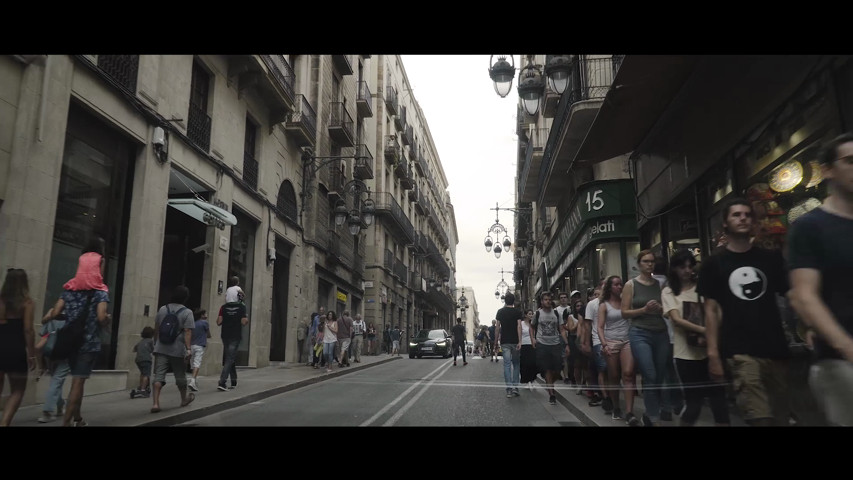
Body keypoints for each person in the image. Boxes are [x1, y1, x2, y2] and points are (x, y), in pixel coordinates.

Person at [698, 197, 792, 427]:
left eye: (747, 215)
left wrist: (807, 326)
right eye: (736, 215)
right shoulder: (714, 264)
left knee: (783, 417)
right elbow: (711, 310)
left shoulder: (770, 259)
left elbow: (791, 294)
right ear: (725, 224)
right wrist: (713, 355)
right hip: (740, 351)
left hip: (775, 348)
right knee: (759, 418)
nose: (743, 218)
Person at [787, 132, 853, 426]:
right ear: (827, 170)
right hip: (841, 363)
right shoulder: (810, 227)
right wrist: (846, 345)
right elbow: (804, 295)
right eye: (850, 161)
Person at [42, 240, 112, 426]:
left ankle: (78, 418)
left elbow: (56, 313)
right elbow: (100, 317)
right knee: (78, 383)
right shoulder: (100, 292)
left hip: (69, 341)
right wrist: (107, 319)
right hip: (88, 344)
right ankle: (66, 422)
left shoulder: (69, 289)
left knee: (74, 382)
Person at [661, 249, 730, 426]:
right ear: (674, 269)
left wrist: (712, 329)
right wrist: (705, 329)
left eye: (690, 266)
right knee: (694, 404)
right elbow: (676, 319)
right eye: (682, 267)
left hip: (710, 351)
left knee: (719, 403)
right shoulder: (669, 292)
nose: (687, 270)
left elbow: (718, 312)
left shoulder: (703, 288)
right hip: (686, 354)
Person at [621, 249, 671, 426]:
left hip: (660, 332)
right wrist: (643, 310)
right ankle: (653, 415)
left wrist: (660, 310)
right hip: (639, 332)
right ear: (639, 264)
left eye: (652, 261)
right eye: (646, 261)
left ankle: (651, 414)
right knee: (649, 373)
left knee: (660, 374)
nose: (649, 264)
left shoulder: (661, 285)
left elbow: (669, 311)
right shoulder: (631, 285)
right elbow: (624, 312)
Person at [598, 275, 639, 425]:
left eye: (621, 284)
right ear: (609, 287)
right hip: (611, 342)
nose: (619, 287)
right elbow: (600, 327)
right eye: (616, 284)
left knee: (628, 374)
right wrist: (604, 345)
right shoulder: (604, 305)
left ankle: (629, 412)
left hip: (627, 340)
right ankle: (616, 406)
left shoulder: (625, 303)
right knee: (614, 376)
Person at [150, 286, 195, 413]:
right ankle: (183, 399)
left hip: (161, 347)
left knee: (159, 375)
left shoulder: (163, 309)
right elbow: (187, 331)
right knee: (180, 375)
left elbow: (157, 327)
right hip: (177, 349)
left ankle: (155, 403)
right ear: (185, 298)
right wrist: (188, 349)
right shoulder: (187, 312)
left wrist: (156, 343)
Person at [0, 268, 36, 426]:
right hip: (15, 348)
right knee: (18, 389)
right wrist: (32, 354)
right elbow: (28, 329)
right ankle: (4, 422)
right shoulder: (27, 302)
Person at [531, 291, 570, 405]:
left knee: (557, 370)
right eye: (545, 300)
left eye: (549, 299)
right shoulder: (537, 314)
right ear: (542, 302)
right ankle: (551, 393)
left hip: (555, 344)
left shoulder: (556, 314)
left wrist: (566, 344)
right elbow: (532, 327)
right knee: (548, 369)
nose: (548, 301)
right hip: (543, 345)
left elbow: (561, 329)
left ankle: (549, 383)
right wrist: (533, 339)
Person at [35, 311, 67, 423]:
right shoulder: (74, 317)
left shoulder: (52, 318)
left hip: (50, 354)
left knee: (55, 381)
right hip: (65, 356)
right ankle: (49, 411)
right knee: (57, 381)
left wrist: (41, 366)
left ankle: (57, 406)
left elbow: (41, 340)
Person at [217, 293, 249, 391]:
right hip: (235, 335)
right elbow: (244, 322)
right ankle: (222, 382)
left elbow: (218, 322)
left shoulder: (223, 307)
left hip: (225, 335)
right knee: (230, 358)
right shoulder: (241, 307)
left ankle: (234, 381)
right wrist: (245, 318)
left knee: (230, 357)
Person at [584, 281, 608, 411]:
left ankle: (608, 395)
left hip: (615, 340)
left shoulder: (615, 302)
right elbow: (587, 325)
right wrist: (587, 343)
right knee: (602, 369)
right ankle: (605, 397)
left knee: (613, 371)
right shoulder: (592, 304)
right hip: (598, 341)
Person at [495, 292, 524, 397]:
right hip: (515, 341)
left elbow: (497, 327)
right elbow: (519, 326)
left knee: (507, 365)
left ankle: (509, 389)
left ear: (505, 301)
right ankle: (516, 387)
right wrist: (520, 341)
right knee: (516, 364)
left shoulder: (500, 312)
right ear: (513, 301)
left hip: (505, 342)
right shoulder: (517, 312)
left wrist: (495, 343)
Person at [188, 308, 211, 392]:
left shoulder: (193, 323)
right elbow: (208, 334)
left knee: (192, 364)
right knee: (197, 364)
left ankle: (194, 380)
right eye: (205, 313)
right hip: (200, 345)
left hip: (192, 345)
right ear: (202, 315)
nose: (206, 315)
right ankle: (193, 381)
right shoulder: (205, 323)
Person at [555, 292, 574, 384]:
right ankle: (566, 376)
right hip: (560, 335)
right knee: (564, 356)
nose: (563, 299)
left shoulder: (571, 309)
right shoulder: (556, 310)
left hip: (571, 333)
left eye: (565, 297)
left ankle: (571, 374)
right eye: (561, 298)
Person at [130, 326, 155, 399]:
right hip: (146, 359)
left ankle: (141, 386)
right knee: (146, 375)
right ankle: (143, 389)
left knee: (142, 373)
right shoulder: (151, 341)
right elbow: (153, 349)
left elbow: (134, 349)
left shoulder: (141, 341)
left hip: (138, 360)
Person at [520, 309, 537, 390]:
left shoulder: (533, 324)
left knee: (533, 363)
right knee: (525, 364)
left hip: (532, 345)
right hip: (524, 345)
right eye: (530, 314)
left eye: (532, 314)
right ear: (526, 315)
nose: (531, 315)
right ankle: (527, 381)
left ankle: (532, 379)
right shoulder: (521, 324)